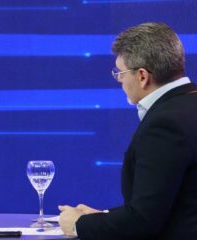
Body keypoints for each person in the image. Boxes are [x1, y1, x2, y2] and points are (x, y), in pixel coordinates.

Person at [59, 22, 197, 239]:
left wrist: (80, 224)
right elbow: (175, 205)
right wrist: (102, 217)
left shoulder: (164, 125)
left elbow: (143, 221)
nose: (120, 80)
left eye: (120, 73)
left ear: (142, 76)